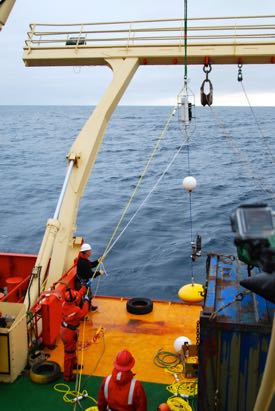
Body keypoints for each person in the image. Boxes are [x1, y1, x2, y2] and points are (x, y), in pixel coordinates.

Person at [60, 285, 90, 382]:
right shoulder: (75, 310)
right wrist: (86, 301)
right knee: (69, 354)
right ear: (73, 300)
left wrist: (84, 287)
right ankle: (67, 376)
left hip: (66, 330)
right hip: (69, 333)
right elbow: (84, 312)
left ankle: (74, 364)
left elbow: (78, 295)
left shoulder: (65, 304)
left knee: (73, 350)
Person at [76, 242, 103, 311]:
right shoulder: (83, 263)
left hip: (84, 281)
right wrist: (98, 273)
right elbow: (90, 274)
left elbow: (90, 265)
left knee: (88, 295)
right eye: (89, 251)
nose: (90, 252)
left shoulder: (84, 260)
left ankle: (89, 307)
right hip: (82, 283)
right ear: (85, 253)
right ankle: (83, 310)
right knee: (85, 297)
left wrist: (98, 261)